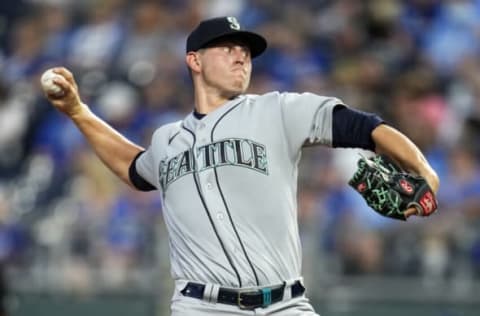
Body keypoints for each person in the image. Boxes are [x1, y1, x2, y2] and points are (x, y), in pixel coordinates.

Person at [43, 16, 439, 316]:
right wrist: (79, 112)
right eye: (227, 47)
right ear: (194, 61)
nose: (241, 55)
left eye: (245, 50)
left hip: (286, 303)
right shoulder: (166, 140)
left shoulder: (278, 109)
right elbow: (133, 167)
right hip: (201, 306)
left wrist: (426, 174)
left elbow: (365, 126)